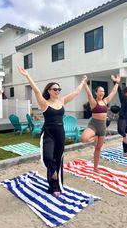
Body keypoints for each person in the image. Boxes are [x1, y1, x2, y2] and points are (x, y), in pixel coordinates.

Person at [18, 65, 87, 197]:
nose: (57, 91)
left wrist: (83, 82)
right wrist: (27, 76)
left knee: (58, 158)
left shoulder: (61, 101)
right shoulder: (44, 103)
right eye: (55, 89)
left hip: (60, 133)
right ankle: (53, 171)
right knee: (49, 157)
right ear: (49, 91)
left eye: (59, 89)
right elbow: (36, 91)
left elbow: (76, 93)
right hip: (48, 133)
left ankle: (55, 186)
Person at [81, 74, 121, 173]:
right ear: (96, 92)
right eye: (100, 91)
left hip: (102, 126)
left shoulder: (105, 101)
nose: (102, 93)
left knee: (98, 148)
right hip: (94, 124)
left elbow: (113, 92)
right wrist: (85, 83)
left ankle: (95, 168)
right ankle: (94, 137)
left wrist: (117, 83)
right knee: (83, 139)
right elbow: (89, 94)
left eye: (103, 91)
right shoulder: (93, 102)